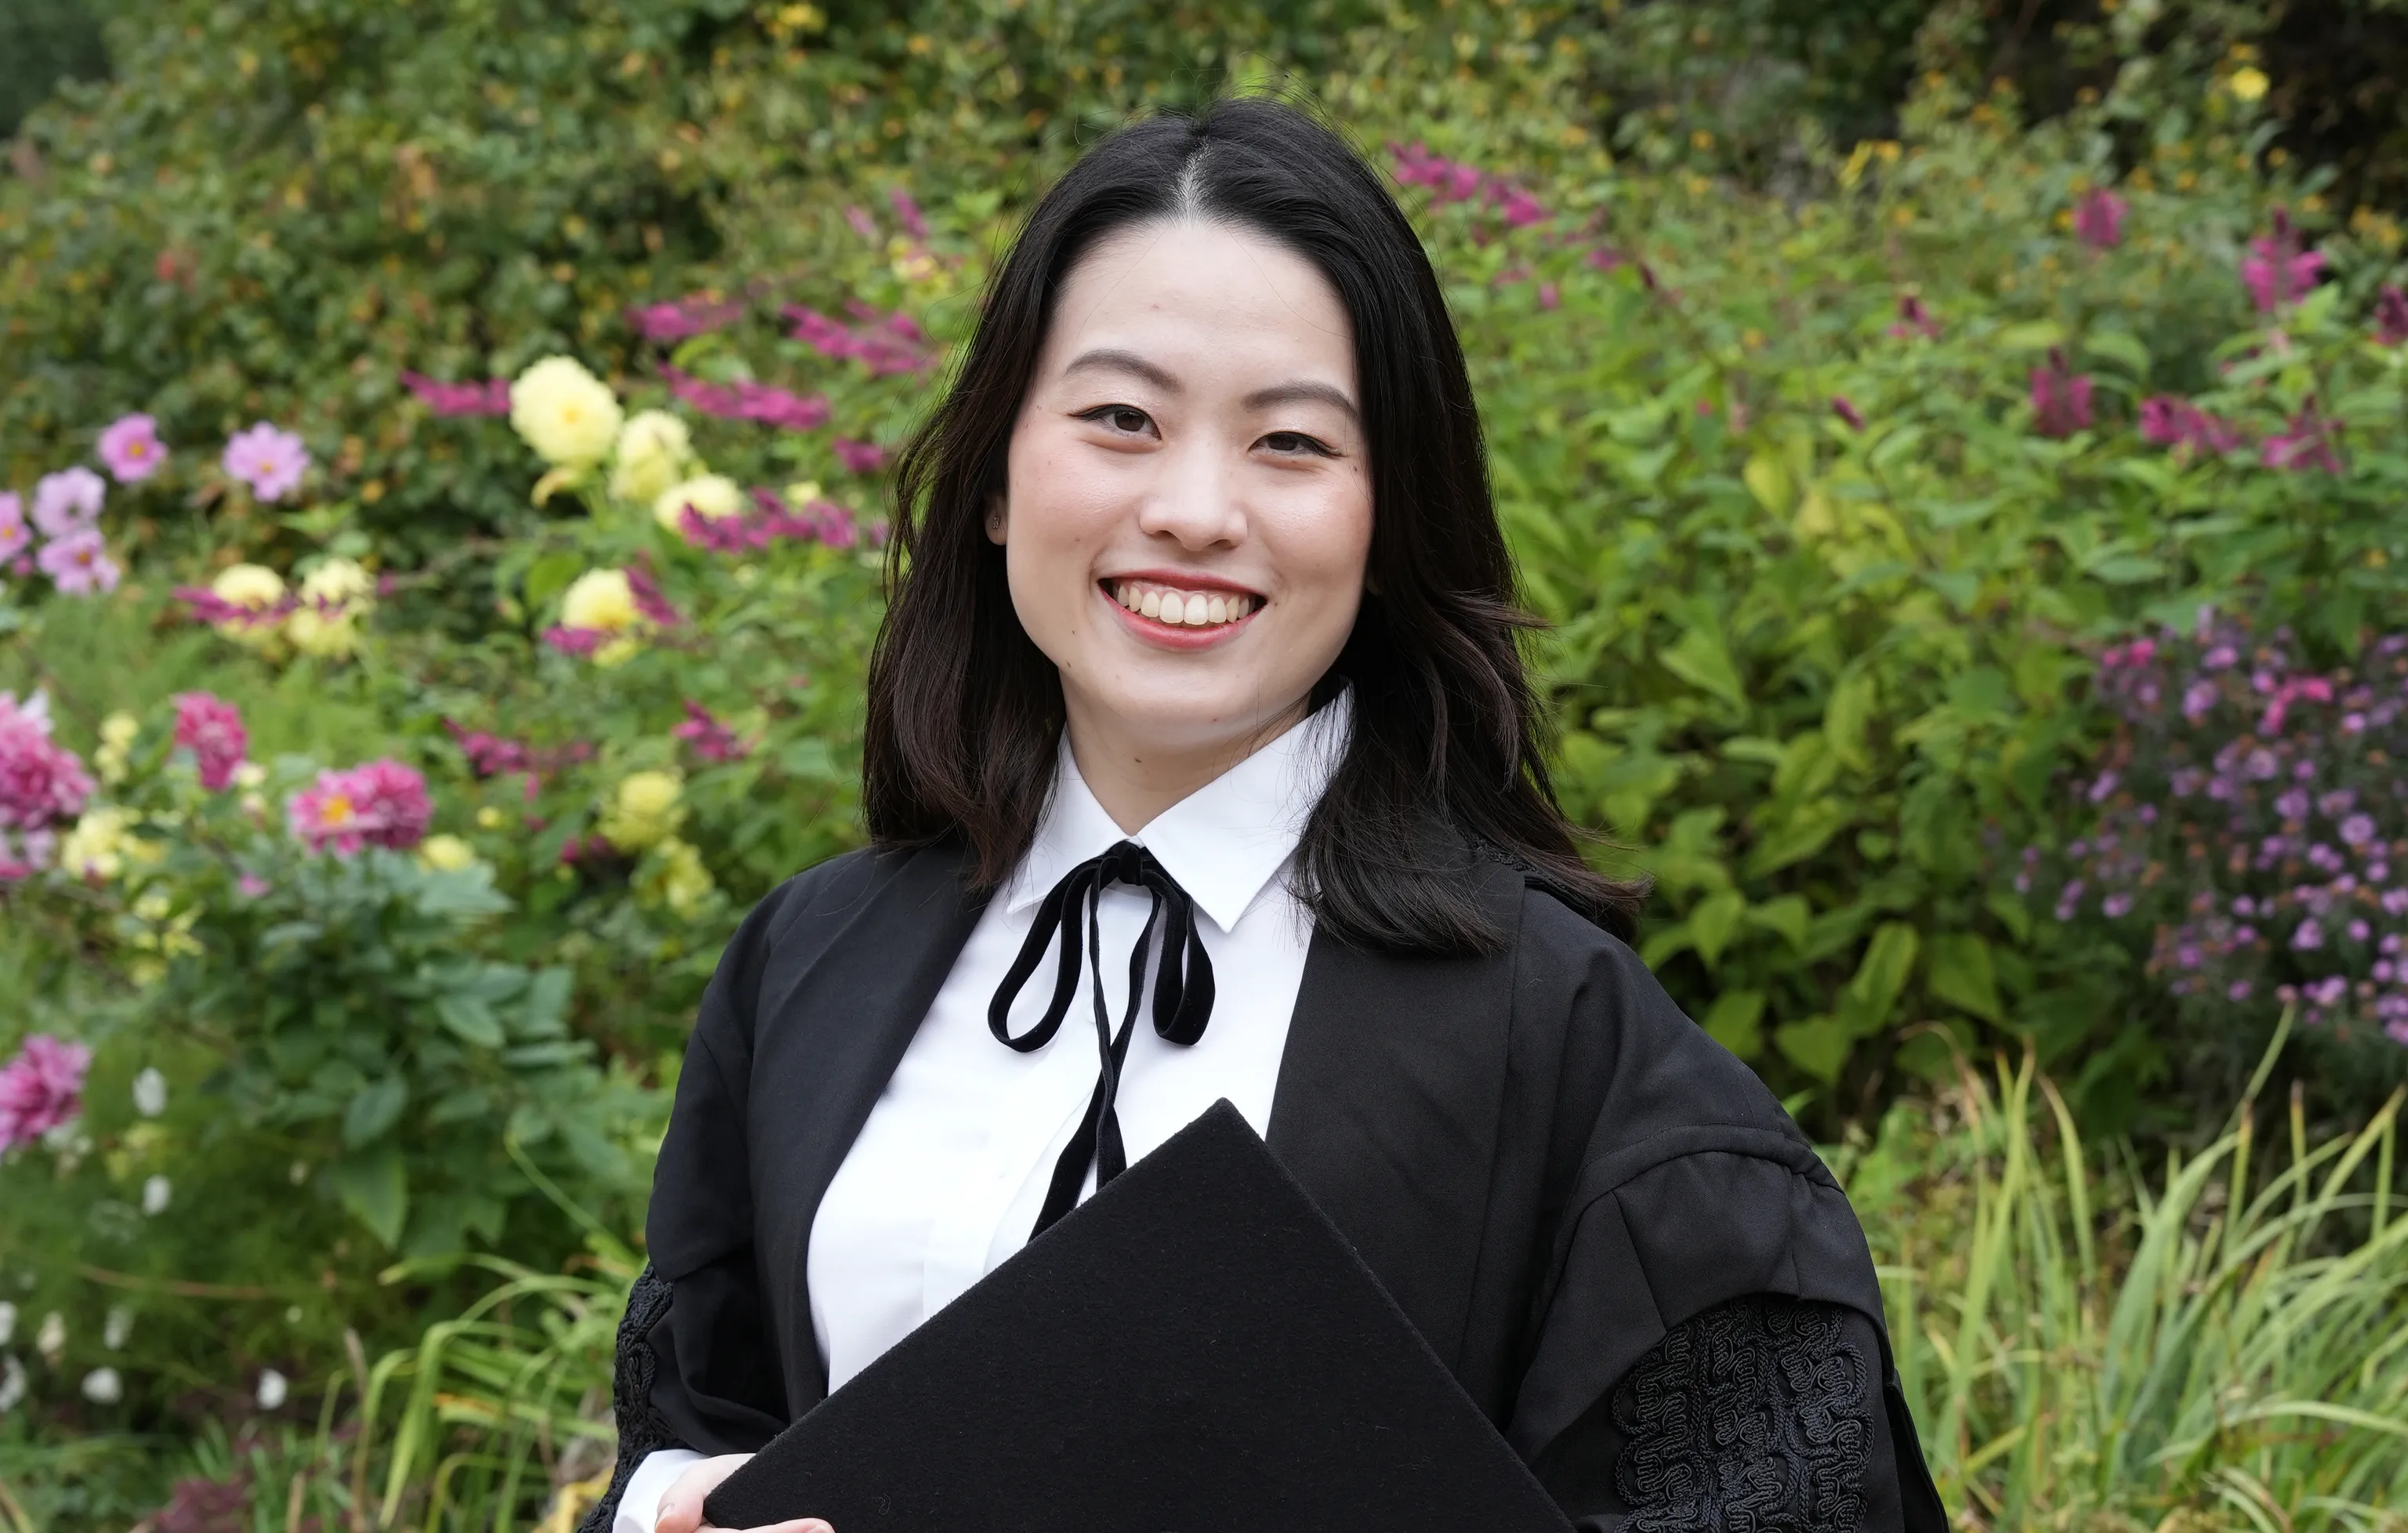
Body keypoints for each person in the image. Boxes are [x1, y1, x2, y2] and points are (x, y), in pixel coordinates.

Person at [582, 97, 1946, 1533]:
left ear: (1389, 519)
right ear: (994, 479)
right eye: (1121, 419)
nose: (1194, 510)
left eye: (1291, 442)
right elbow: (696, 1426)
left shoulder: (1559, 1041)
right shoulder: (813, 962)